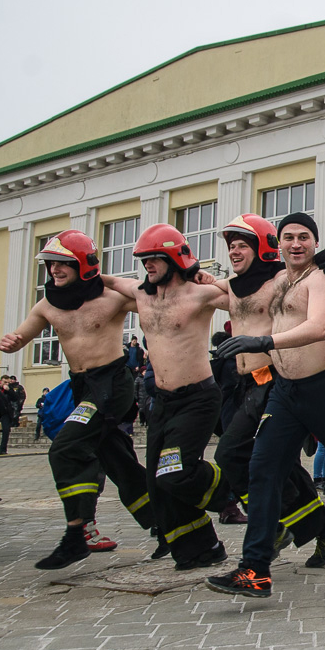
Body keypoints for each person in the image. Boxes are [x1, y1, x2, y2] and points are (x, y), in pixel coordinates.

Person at [205, 212, 325, 598]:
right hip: (285, 391)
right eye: (289, 237)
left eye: (304, 237)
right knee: (262, 469)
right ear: (278, 244)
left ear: (315, 242)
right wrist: (186, 278)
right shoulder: (279, 280)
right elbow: (232, 292)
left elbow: (320, 324)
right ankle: (255, 569)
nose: (296, 243)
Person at [0, 230, 157, 568]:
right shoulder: (47, 304)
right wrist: (13, 341)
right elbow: (25, 332)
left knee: (67, 447)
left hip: (112, 384)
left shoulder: (110, 297)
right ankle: (172, 524)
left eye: (62, 264)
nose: (54, 270)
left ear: (83, 265)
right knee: (117, 459)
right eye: (51, 264)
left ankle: (77, 533)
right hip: (82, 386)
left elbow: (152, 296)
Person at [103, 224, 230, 570]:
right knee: (158, 483)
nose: (148, 266)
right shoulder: (142, 294)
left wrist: (211, 279)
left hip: (199, 398)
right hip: (162, 401)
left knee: (175, 473)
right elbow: (108, 281)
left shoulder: (198, 294)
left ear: (175, 258)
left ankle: (232, 495)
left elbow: (247, 300)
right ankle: (202, 549)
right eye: (144, 260)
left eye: (154, 259)